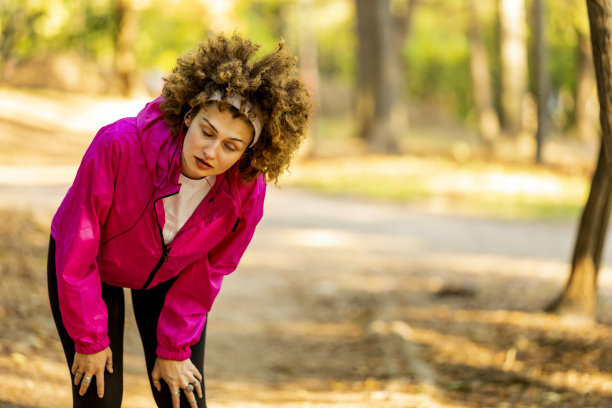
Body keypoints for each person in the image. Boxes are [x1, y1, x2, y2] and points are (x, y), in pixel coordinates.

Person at [47, 33, 311, 408]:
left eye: (230, 146)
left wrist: (174, 348)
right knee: (100, 398)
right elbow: (79, 245)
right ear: (189, 115)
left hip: (168, 278)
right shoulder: (117, 145)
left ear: (249, 152)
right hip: (90, 267)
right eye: (207, 131)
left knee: (183, 398)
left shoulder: (247, 191)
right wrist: (91, 340)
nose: (210, 151)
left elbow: (211, 267)